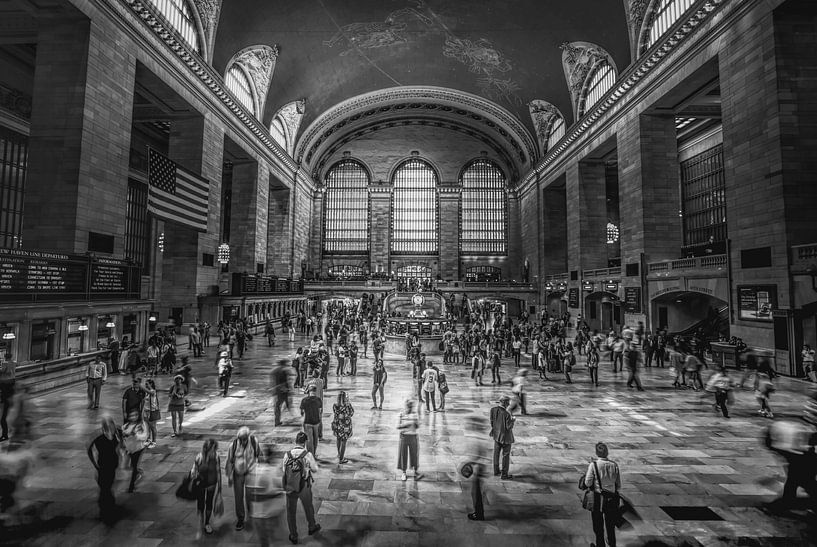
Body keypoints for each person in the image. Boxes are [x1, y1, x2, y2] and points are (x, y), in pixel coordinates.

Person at [282, 431, 321, 544]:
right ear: (305, 442)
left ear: (296, 441)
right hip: (304, 486)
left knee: (290, 511)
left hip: (290, 486)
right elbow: (315, 469)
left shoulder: (287, 455)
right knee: (308, 507)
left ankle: (293, 535)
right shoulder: (307, 455)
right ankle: (312, 527)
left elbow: (284, 470)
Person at [584, 442, 621, 547]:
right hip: (612, 499)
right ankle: (612, 544)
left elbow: (588, 483)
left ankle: (600, 544)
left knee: (598, 525)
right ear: (607, 452)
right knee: (610, 525)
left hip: (598, 498)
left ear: (596, 453)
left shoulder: (593, 465)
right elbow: (618, 485)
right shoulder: (614, 465)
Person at [225, 426, 260, 531]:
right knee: (238, 497)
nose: (243, 442)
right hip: (238, 473)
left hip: (250, 472)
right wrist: (229, 476)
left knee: (251, 496)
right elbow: (229, 461)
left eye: (244, 439)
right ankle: (240, 518)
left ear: (248, 437)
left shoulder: (254, 442)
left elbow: (258, 455)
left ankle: (252, 516)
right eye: (241, 440)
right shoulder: (234, 445)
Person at [87, 417, 121, 521]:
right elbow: (89, 449)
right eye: (108, 427)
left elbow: (119, 446)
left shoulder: (116, 435)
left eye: (111, 426)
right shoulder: (100, 439)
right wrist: (94, 463)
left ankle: (107, 504)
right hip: (103, 466)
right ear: (104, 428)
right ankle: (106, 506)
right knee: (105, 487)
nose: (110, 428)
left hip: (113, 465)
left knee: (108, 485)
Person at [193, 439, 222, 536]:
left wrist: (220, 487)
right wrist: (194, 476)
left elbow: (218, 472)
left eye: (214, 449)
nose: (213, 452)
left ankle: (207, 523)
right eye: (211, 450)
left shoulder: (217, 457)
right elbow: (194, 470)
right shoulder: (199, 457)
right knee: (201, 503)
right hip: (200, 485)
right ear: (206, 449)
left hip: (211, 484)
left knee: (209, 503)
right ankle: (200, 519)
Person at [121, 409, 148, 493]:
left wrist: (136, 435)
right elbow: (123, 435)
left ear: (138, 416)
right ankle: (138, 472)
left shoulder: (141, 425)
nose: (133, 417)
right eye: (131, 416)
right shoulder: (125, 426)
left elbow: (145, 436)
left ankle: (131, 487)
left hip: (138, 448)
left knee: (134, 466)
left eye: (135, 415)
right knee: (126, 466)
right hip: (129, 449)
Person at [489, 395, 515, 479]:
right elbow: (509, 427)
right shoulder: (506, 414)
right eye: (508, 403)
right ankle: (504, 474)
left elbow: (492, 422)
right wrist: (513, 420)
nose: (509, 404)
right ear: (504, 403)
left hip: (496, 435)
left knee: (496, 453)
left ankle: (496, 471)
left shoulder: (493, 410)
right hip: (505, 438)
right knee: (505, 455)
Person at [397, 399, 421, 481]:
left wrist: (416, 423)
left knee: (414, 454)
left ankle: (415, 471)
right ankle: (404, 472)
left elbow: (417, 426)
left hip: (413, 436)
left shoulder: (415, 415)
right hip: (404, 436)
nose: (410, 408)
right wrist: (407, 425)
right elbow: (398, 426)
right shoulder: (401, 414)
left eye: (411, 407)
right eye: (409, 406)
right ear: (406, 406)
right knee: (403, 454)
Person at [331, 391, 354, 464]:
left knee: (338, 439)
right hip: (345, 426)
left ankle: (339, 454)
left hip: (337, 425)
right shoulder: (348, 405)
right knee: (344, 441)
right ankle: (341, 458)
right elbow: (351, 413)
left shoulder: (335, 405)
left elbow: (335, 413)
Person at [300, 385, 322, 457]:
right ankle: (314, 454)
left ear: (309, 391)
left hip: (307, 422)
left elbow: (302, 412)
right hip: (316, 422)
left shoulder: (304, 400)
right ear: (315, 391)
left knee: (309, 440)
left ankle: (310, 456)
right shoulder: (318, 400)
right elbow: (320, 412)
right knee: (315, 439)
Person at [272, 359, 293, 427]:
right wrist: (289, 389)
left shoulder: (275, 371)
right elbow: (286, 382)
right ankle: (291, 416)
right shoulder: (283, 371)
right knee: (286, 404)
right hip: (283, 391)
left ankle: (277, 421)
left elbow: (273, 382)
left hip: (277, 391)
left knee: (278, 406)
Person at [142, 378, 160, 447]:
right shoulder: (147, 392)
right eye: (145, 384)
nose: (145, 385)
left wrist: (141, 387)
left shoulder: (153, 391)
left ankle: (154, 441)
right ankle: (148, 439)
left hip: (152, 411)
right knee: (147, 426)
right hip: (146, 411)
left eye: (147, 384)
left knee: (153, 427)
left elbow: (151, 393)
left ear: (151, 384)